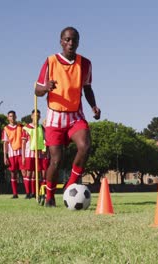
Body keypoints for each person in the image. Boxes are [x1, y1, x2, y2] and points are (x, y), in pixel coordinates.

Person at [35, 26, 101, 207]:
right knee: (56, 160)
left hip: (75, 116)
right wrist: (46, 87)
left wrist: (94, 106)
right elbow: (37, 89)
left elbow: (87, 88)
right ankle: (49, 196)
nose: (70, 43)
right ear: (61, 41)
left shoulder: (85, 63)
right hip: (55, 117)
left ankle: (71, 184)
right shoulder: (50, 61)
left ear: (79, 42)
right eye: (67, 39)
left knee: (85, 146)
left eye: (74, 40)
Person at [21, 109, 45, 199]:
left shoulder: (41, 128)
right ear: (31, 116)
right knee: (29, 173)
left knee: (36, 174)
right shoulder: (26, 127)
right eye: (35, 115)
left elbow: (44, 140)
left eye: (38, 116)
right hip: (28, 154)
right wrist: (23, 156)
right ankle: (28, 193)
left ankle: (34, 193)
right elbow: (23, 143)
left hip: (38, 154)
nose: (37, 117)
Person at [2, 110, 24, 198]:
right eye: (10, 116)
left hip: (21, 153)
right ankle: (15, 193)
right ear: (8, 118)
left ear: (16, 117)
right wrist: (5, 156)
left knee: (24, 172)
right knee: (13, 173)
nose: (12, 117)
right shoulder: (6, 129)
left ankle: (29, 193)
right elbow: (5, 143)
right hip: (11, 154)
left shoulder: (21, 127)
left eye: (13, 116)